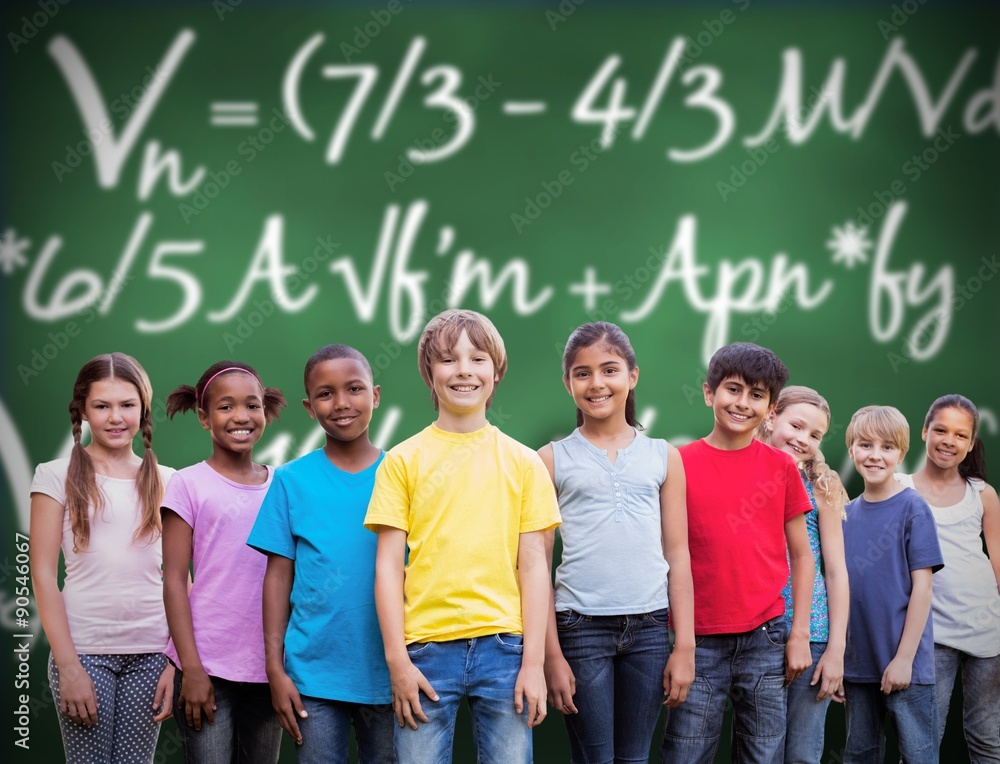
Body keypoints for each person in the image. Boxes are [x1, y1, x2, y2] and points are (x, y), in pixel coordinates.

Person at [364, 309, 562, 764]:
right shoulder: (402, 460)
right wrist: (398, 661)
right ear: (429, 374)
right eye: (449, 360)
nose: (464, 371)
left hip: (505, 650)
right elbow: (388, 566)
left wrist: (534, 663)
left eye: (477, 358)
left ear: (496, 372)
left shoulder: (523, 462)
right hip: (425, 653)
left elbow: (534, 566)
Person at [540, 322, 695, 763]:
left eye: (609, 370)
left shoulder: (664, 456)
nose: (597, 383)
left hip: (649, 628)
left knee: (634, 758)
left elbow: (677, 554)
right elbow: (534, 565)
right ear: (568, 383)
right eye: (582, 373)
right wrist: (552, 655)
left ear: (633, 376)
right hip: (579, 627)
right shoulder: (550, 460)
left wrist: (683, 646)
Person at [660, 342, 815, 763]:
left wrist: (799, 633)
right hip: (698, 639)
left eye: (757, 395)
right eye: (733, 389)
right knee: (686, 753)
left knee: (762, 754)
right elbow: (673, 556)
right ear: (709, 392)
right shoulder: (678, 463)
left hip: (766, 636)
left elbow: (802, 556)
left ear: (771, 407)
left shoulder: (781, 468)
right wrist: (682, 645)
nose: (742, 403)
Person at [248, 344, 394, 763]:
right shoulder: (291, 481)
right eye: (326, 394)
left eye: (354, 389)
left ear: (376, 395)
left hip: (390, 673)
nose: (342, 403)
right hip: (312, 677)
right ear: (309, 407)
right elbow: (277, 578)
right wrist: (275, 670)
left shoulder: (403, 474)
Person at [30, 352, 175, 763]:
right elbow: (42, 574)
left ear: (143, 410)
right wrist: (68, 666)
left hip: (152, 656)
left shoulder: (169, 481)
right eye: (102, 405)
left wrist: (174, 660)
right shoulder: (54, 476)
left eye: (127, 405)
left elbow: (182, 579)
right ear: (82, 412)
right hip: (83, 651)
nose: (116, 417)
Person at [161, 361, 286, 763]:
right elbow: (175, 581)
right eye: (226, 407)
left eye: (252, 405)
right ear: (203, 418)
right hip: (207, 668)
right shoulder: (187, 483)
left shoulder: (282, 484)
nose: (241, 417)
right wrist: (192, 670)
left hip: (269, 669)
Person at [896, 394, 1000, 762]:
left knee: (987, 737)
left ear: (971, 444)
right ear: (924, 431)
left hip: (988, 633)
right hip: (929, 635)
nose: (948, 441)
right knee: (923, 741)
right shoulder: (898, 487)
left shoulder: (983, 494)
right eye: (940, 430)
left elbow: (997, 564)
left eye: (960, 435)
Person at [841, 405, 944, 764]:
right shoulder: (845, 514)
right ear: (851, 448)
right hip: (858, 665)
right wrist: (839, 659)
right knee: (859, 753)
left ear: (901, 453)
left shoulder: (913, 508)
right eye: (865, 445)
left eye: (887, 447)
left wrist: (903, 660)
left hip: (906, 665)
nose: (875, 455)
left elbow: (923, 589)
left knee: (918, 755)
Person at [756, 385, 850, 764]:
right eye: (796, 426)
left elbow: (837, 571)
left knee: (802, 754)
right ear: (770, 416)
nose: (803, 439)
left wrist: (836, 650)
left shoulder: (822, 487)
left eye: (815, 435)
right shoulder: (745, 474)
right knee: (760, 750)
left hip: (812, 633)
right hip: (755, 633)